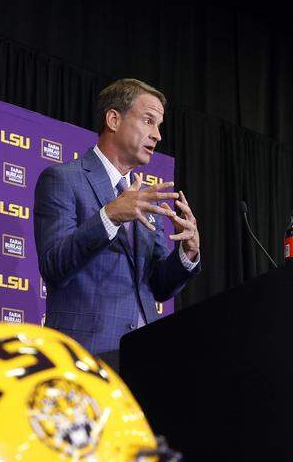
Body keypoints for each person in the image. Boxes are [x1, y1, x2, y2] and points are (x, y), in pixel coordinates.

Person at [33, 78, 201, 358]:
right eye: (148, 121)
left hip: (145, 355)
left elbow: (158, 286)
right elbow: (54, 265)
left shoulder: (144, 196)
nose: (157, 135)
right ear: (113, 119)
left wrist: (187, 252)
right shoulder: (63, 179)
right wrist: (109, 216)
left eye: (159, 125)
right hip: (85, 354)